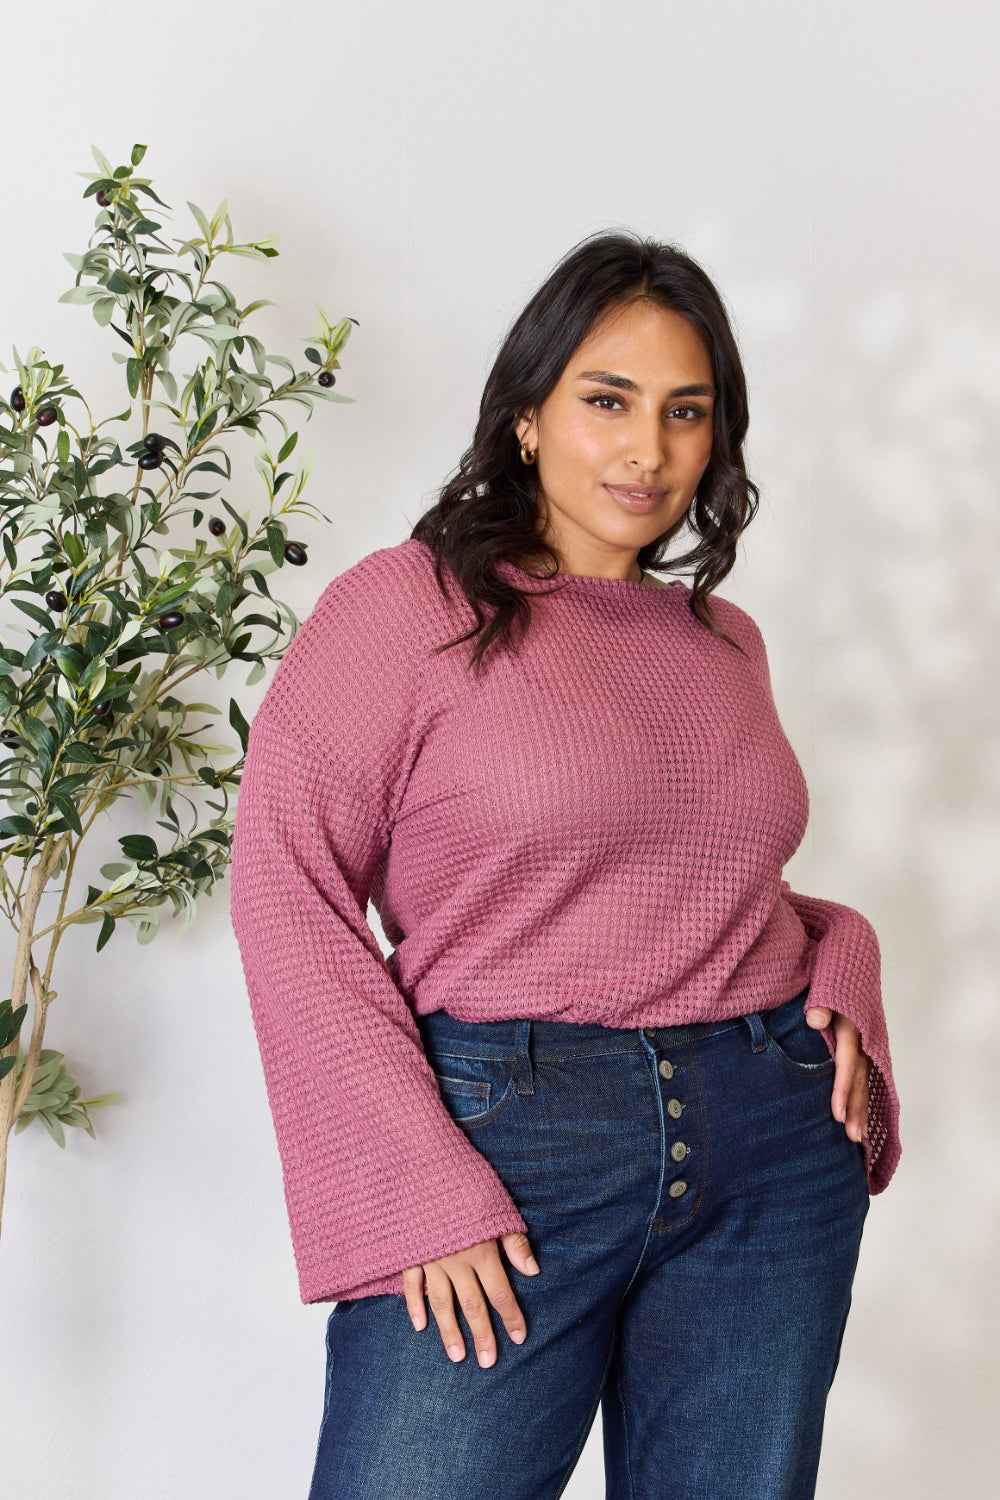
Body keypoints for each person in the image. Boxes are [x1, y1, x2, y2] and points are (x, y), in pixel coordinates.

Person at [228, 230, 900, 1500]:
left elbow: (695, 887)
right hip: (509, 1148)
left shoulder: (724, 641)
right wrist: (413, 1180)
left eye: (683, 412)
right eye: (607, 401)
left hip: (769, 1146)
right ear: (528, 415)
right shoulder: (407, 609)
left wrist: (844, 946)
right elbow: (284, 889)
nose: (646, 451)